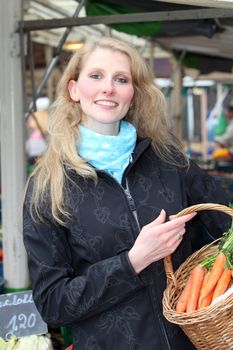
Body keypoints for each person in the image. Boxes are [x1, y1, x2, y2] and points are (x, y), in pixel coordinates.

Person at [23, 37, 231, 350]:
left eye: (121, 79)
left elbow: (223, 227)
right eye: (96, 76)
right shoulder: (47, 186)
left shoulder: (169, 160)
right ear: (74, 90)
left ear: (132, 95)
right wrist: (133, 261)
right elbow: (53, 304)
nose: (108, 88)